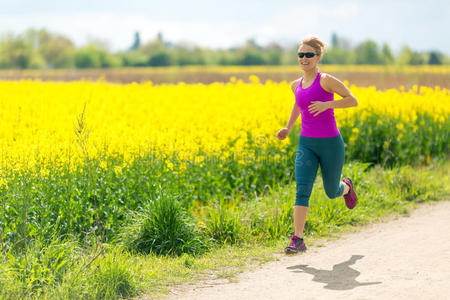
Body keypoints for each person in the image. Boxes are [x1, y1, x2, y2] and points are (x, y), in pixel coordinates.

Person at [276, 36, 358, 254]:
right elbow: (298, 106)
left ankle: (347, 186)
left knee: (332, 191)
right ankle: (298, 239)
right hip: (307, 144)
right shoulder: (295, 85)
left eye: (309, 54)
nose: (304, 58)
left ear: (318, 57)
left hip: (331, 144)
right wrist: (288, 128)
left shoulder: (327, 80)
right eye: (301, 54)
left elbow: (352, 100)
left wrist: (328, 104)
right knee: (302, 191)